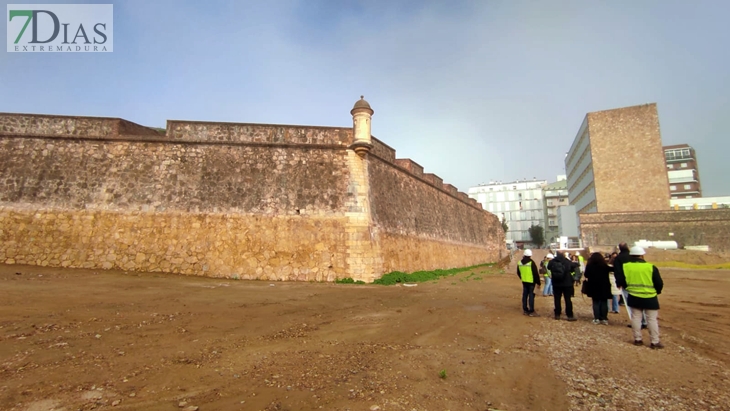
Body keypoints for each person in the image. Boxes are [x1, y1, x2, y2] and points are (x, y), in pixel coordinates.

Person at [614, 246, 665, 349]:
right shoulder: (651, 267)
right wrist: (657, 291)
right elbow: (659, 283)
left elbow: (620, 279)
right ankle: (654, 342)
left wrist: (627, 287)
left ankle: (638, 339)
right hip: (650, 296)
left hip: (633, 295)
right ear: (642, 255)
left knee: (636, 318)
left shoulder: (626, 267)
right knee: (651, 320)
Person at [614, 243, 647, 329]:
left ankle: (636, 322)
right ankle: (644, 321)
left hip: (626, 284)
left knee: (630, 304)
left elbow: (618, 272)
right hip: (640, 282)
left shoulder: (618, 258)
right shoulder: (633, 256)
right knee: (642, 302)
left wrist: (619, 283)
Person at [584, 252, 613, 325]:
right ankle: (604, 318)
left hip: (594, 285)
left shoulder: (590, 266)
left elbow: (586, 274)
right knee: (604, 302)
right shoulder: (604, 265)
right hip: (604, 286)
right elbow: (612, 269)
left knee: (596, 302)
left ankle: (596, 318)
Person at [547, 251, 576, 321]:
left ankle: (557, 314)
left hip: (556, 283)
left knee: (557, 299)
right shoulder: (567, 261)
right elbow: (573, 267)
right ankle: (569, 315)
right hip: (567, 283)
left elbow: (548, 267)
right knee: (568, 299)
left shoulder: (552, 261)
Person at [516, 249, 541, 316]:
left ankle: (525, 310)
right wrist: (538, 282)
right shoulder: (531, 262)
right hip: (531, 282)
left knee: (525, 295)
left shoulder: (519, 262)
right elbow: (535, 273)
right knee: (531, 296)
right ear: (530, 255)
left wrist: (522, 278)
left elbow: (518, 272)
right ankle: (531, 311)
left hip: (524, 281)